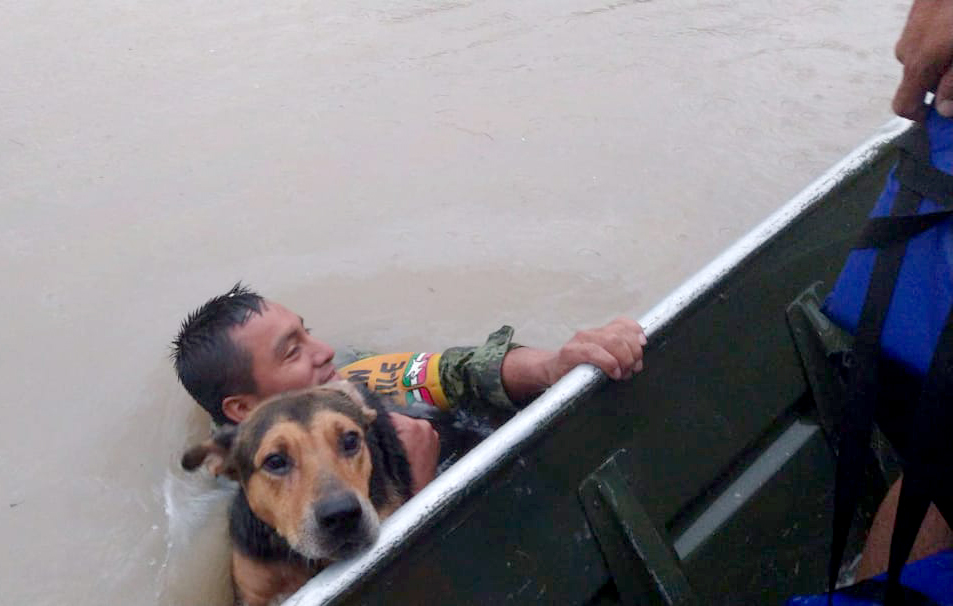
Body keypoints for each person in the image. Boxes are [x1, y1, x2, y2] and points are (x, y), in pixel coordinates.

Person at [172, 282, 647, 493]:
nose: (324, 352)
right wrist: (415, 494)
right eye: (292, 351)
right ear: (242, 408)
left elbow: (460, 370)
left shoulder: (349, 380)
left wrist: (554, 366)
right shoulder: (264, 496)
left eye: (307, 331)